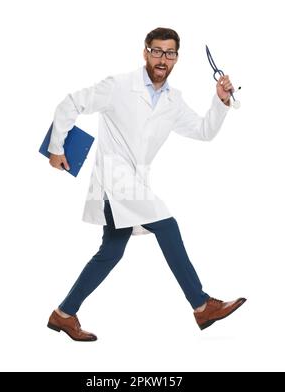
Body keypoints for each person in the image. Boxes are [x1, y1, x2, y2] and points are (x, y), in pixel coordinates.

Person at [46, 27, 246, 341]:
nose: (162, 58)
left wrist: (220, 102)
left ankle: (63, 314)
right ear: (145, 52)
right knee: (167, 225)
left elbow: (203, 131)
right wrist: (56, 148)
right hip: (114, 180)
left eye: (169, 53)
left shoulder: (173, 101)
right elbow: (71, 103)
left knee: (111, 252)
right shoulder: (119, 86)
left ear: (177, 58)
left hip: (134, 184)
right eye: (156, 51)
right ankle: (201, 304)